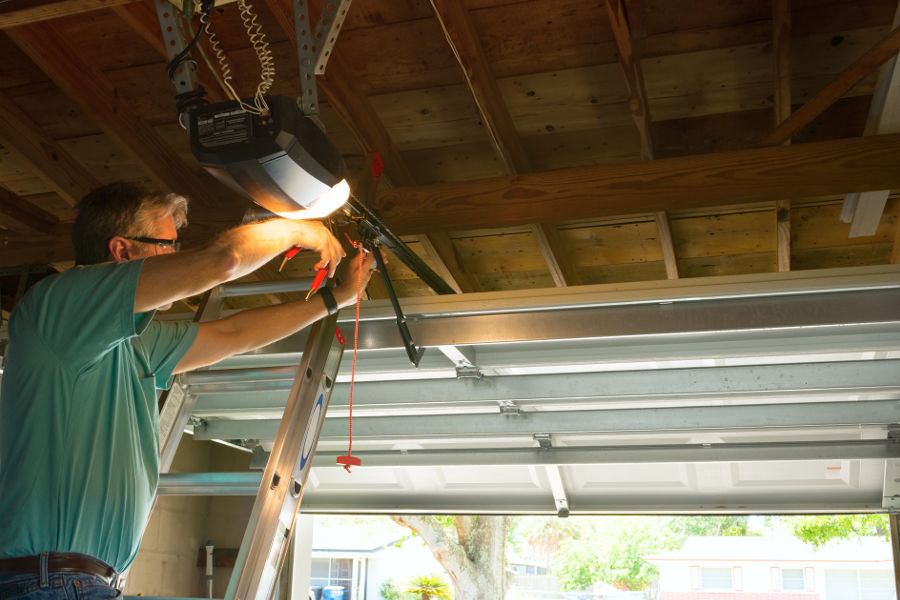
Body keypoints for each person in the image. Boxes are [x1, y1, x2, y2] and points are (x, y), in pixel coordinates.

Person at [0, 181, 377, 600]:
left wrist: (336, 298)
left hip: (71, 582)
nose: (176, 257)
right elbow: (224, 259)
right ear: (122, 251)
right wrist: (296, 229)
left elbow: (233, 333)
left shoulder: (134, 343)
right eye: (168, 244)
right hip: (49, 581)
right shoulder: (58, 309)